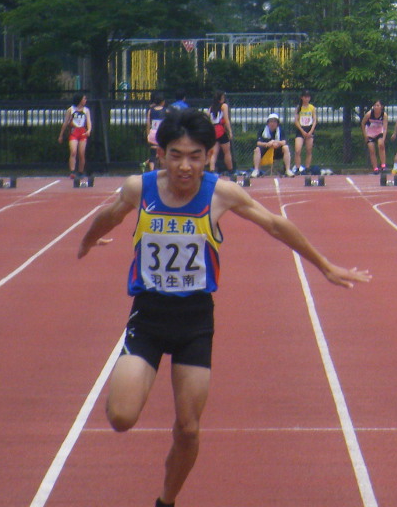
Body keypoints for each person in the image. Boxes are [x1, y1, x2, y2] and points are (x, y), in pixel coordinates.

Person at [76, 109, 367, 507]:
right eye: (176, 155)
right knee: (121, 417)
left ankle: (166, 501)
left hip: (195, 321)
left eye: (195, 156)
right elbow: (109, 216)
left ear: (209, 156)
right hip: (148, 316)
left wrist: (325, 265)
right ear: (161, 155)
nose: (185, 165)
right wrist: (88, 240)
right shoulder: (139, 189)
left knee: (188, 429)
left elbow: (275, 224)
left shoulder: (220, 194)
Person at [59, 95, 93, 177]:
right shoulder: (71, 110)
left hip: (82, 132)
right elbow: (66, 122)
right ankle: (72, 171)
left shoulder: (86, 110)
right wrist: (61, 135)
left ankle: (81, 171)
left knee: (81, 153)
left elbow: (88, 121)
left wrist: (89, 130)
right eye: (84, 99)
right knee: (73, 151)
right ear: (80, 100)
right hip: (74, 131)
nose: (85, 100)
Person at [253, 112, 294, 177]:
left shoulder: (281, 130)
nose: (273, 123)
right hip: (266, 151)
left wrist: (275, 142)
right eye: (271, 121)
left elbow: (284, 142)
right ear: (268, 123)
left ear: (277, 123)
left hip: (277, 152)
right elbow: (258, 142)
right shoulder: (262, 130)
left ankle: (288, 170)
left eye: (275, 121)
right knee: (257, 149)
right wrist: (267, 144)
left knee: (286, 148)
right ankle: (256, 170)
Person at [208, 91, 235, 174]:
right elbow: (226, 120)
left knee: (214, 152)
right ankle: (231, 170)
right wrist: (230, 131)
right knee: (227, 152)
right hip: (220, 130)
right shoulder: (224, 106)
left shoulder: (211, 108)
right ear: (221, 98)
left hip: (213, 130)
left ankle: (212, 170)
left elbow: (207, 118)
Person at [292, 91, 318, 175]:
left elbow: (314, 120)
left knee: (309, 150)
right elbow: (296, 121)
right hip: (301, 129)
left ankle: (307, 168)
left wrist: (311, 131)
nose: (307, 99)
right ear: (302, 97)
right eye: (305, 97)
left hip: (309, 129)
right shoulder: (299, 108)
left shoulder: (312, 108)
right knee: (298, 150)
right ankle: (297, 168)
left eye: (308, 97)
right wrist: (302, 131)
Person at [144, 93, 170, 171]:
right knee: (162, 152)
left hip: (153, 134)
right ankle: (162, 170)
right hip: (162, 134)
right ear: (163, 102)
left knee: (153, 153)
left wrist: (148, 134)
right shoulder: (166, 111)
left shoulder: (150, 111)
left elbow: (148, 124)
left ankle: (152, 170)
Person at [362, 100, 388, 173]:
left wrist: (384, 137)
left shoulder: (384, 115)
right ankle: (375, 168)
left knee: (381, 145)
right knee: (371, 149)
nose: (376, 107)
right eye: (375, 105)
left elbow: (385, 127)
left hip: (379, 132)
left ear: (381, 107)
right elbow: (363, 123)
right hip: (370, 133)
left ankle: (383, 165)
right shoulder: (369, 114)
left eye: (378, 105)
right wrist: (365, 135)